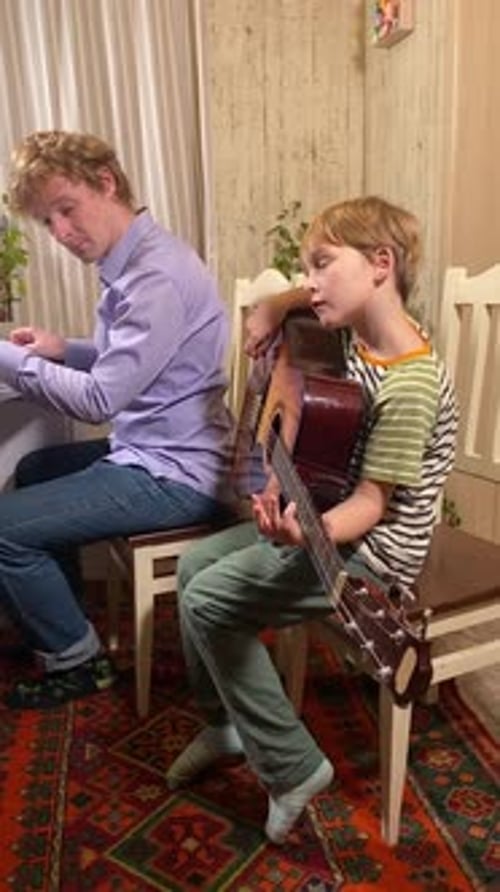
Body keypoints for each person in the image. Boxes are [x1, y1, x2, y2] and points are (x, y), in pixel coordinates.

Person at [165, 195, 458, 845]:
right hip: (327, 513)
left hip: (371, 550)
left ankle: (293, 766)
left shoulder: (409, 383)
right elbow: (303, 316)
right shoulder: (354, 333)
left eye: (322, 264)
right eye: (307, 268)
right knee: (191, 566)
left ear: (381, 265)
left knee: (211, 599)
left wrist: (304, 532)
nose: (312, 281)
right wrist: (275, 306)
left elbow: (371, 506)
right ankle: (223, 724)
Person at [0, 130, 235, 710]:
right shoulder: (135, 263)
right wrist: (65, 348)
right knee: (34, 468)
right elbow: (137, 359)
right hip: (152, 448)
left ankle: (77, 661)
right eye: (48, 222)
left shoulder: (154, 276)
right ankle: (65, 621)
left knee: (1, 526)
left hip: (176, 473)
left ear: (106, 182)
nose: (60, 233)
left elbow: (100, 401)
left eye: (66, 209)